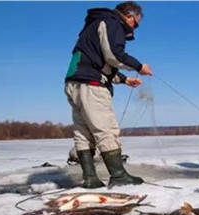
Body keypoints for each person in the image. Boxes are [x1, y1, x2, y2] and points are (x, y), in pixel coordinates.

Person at [64, 1, 153, 188]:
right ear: (129, 16)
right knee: (106, 130)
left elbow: (97, 62)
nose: (134, 28)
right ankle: (119, 176)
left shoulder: (95, 25)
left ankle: (90, 178)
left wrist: (125, 80)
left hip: (75, 84)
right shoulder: (112, 22)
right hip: (91, 86)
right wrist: (139, 66)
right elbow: (114, 55)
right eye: (135, 24)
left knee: (83, 133)